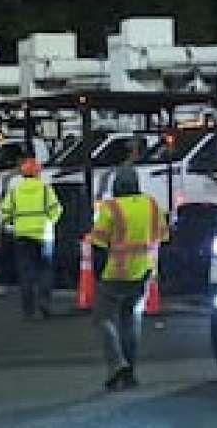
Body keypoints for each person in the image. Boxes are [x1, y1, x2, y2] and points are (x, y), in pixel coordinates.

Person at [89, 166, 169, 390]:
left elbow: (98, 244)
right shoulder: (151, 205)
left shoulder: (111, 207)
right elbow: (163, 237)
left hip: (115, 273)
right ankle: (130, 372)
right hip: (143, 272)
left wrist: (98, 274)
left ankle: (117, 363)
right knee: (131, 321)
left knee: (103, 318)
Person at [0, 157, 63, 321]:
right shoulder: (45, 189)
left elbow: (4, 213)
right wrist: (49, 223)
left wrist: (12, 225)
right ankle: (44, 302)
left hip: (21, 236)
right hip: (43, 236)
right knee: (45, 270)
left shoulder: (15, 191)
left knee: (26, 273)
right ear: (37, 173)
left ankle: (28, 309)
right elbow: (57, 210)